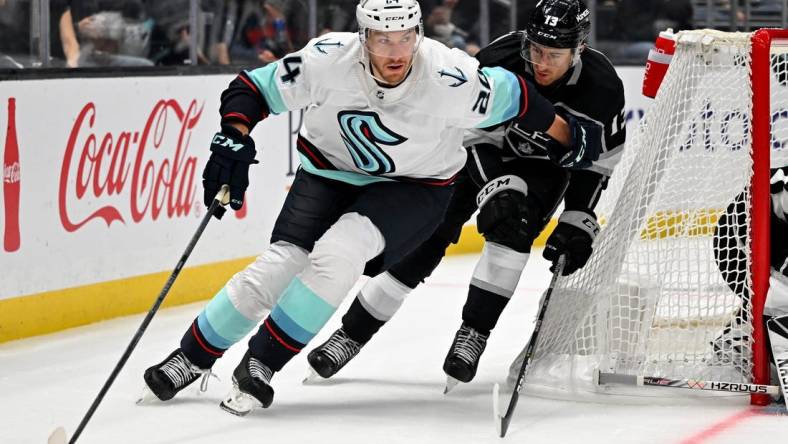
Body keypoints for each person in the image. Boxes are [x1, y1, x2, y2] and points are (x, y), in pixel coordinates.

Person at [140, 0, 600, 415]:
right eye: (383, 38)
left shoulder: (449, 76)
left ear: (418, 34)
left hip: (415, 188)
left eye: (405, 37)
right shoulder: (328, 58)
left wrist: (570, 139)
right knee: (278, 264)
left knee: (340, 253)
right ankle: (191, 357)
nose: (396, 51)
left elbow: (520, 99)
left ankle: (261, 364)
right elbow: (252, 89)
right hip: (327, 174)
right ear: (363, 37)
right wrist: (233, 138)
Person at [304, 0, 626, 390]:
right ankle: (350, 334)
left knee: (513, 230)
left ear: (579, 50)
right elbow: (466, 133)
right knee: (424, 241)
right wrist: (498, 186)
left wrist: (578, 216)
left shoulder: (603, 87)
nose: (541, 62)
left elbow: (598, 161)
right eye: (535, 50)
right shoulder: (500, 59)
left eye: (553, 55)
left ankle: (474, 333)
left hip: (543, 168)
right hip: (473, 155)